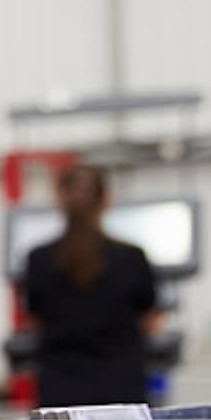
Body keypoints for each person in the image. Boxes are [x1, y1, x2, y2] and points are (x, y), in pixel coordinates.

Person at [23, 164, 158, 407]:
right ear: (106, 200)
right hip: (122, 394)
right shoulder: (131, 258)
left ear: (59, 200)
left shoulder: (38, 260)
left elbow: (35, 322)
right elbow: (149, 321)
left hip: (60, 396)